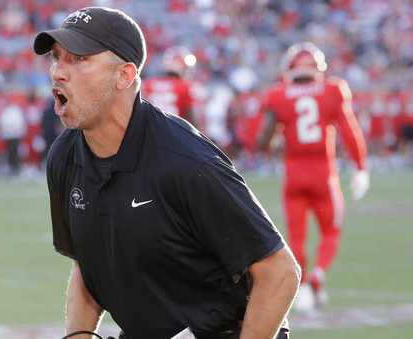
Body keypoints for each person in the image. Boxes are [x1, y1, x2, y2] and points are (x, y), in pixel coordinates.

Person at [34, 7, 300, 339]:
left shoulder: (185, 161)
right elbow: (86, 268)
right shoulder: (64, 157)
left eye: (78, 59)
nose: (58, 72)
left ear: (125, 76)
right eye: (56, 58)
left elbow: (280, 271)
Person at [258, 42, 369, 312]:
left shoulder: (279, 94)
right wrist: (360, 166)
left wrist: (276, 141)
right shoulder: (332, 90)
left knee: (296, 237)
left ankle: (303, 285)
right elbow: (349, 130)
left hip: (293, 173)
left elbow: (263, 140)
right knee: (331, 230)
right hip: (323, 173)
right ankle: (317, 276)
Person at [142, 46, 196, 124]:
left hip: (150, 129)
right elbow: (190, 116)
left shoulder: (148, 83)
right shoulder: (185, 86)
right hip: (173, 130)